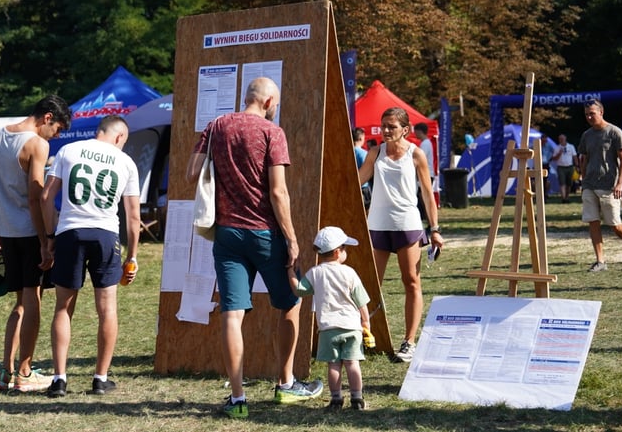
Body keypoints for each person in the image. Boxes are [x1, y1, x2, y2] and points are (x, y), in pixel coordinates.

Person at [186, 77, 322, 419]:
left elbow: (191, 173)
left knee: (232, 314)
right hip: (265, 233)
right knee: (290, 302)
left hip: (227, 233)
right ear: (269, 101)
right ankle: (286, 383)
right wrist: (291, 239)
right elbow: (278, 192)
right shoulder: (272, 132)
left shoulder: (216, 126)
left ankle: (237, 398)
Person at [41, 115, 141, 398]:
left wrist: (50, 237)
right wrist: (132, 255)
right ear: (120, 137)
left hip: (70, 231)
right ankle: (100, 377)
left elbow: (47, 196)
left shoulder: (68, 150)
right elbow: (133, 216)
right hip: (106, 234)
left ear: (99, 131)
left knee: (63, 307)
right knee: (107, 308)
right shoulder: (125, 162)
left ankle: (59, 378)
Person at [0, 94, 71, 393]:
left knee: (20, 303)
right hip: (28, 231)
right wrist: (46, 240)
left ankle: (5, 372)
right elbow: (37, 197)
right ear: (47, 118)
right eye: (58, 129)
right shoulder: (37, 144)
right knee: (33, 299)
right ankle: (24, 371)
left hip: (5, 230)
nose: (56, 136)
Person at [358, 107, 444, 363]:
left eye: (391, 126)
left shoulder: (416, 154)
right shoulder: (375, 152)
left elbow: (428, 195)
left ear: (405, 129)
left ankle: (408, 342)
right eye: (384, 125)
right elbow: (357, 180)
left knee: (411, 282)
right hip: (378, 225)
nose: (385, 131)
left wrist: (435, 229)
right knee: (370, 286)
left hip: (407, 225)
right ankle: (364, 337)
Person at [286, 227, 370, 411]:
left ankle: (336, 399)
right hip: (351, 327)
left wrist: (290, 271)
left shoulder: (315, 273)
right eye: (345, 248)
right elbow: (361, 301)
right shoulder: (350, 272)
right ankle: (357, 398)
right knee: (352, 363)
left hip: (328, 328)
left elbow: (299, 290)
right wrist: (366, 322)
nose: (345, 252)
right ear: (338, 251)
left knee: (334, 365)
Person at [578, 99, 622, 272]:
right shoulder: (586, 135)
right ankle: (600, 261)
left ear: (601, 112)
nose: (589, 117)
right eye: (587, 114)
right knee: (593, 222)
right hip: (590, 184)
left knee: (614, 225)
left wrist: (621, 183)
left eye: (592, 113)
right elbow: (585, 159)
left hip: (609, 185)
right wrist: (583, 180)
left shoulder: (614, 132)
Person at [413, 122, 435, 227]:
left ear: (419, 131)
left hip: (427, 174)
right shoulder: (426, 143)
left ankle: (430, 222)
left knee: (424, 199)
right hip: (427, 174)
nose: (415, 134)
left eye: (415, 132)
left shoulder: (425, 144)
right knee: (422, 199)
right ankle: (428, 221)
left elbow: (420, 160)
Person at [553, 134, 577, 203]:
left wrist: (577, 165)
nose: (561, 140)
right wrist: (559, 153)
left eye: (562, 139)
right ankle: (563, 198)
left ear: (565, 139)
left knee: (569, 183)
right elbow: (554, 158)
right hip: (561, 167)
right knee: (562, 183)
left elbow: (574, 156)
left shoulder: (571, 147)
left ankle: (567, 196)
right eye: (560, 139)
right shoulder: (557, 148)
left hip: (569, 166)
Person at [352, 127, 371, 208]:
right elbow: (368, 170)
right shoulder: (363, 153)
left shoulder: (347, 152)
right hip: (363, 188)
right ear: (360, 138)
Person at [540, 134, 559, 199]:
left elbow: (554, 151)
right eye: (543, 140)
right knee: (539, 180)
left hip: (546, 164)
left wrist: (550, 157)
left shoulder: (548, 145)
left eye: (546, 140)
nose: (545, 141)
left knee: (545, 179)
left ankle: (545, 194)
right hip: (539, 164)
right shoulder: (537, 145)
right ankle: (539, 193)